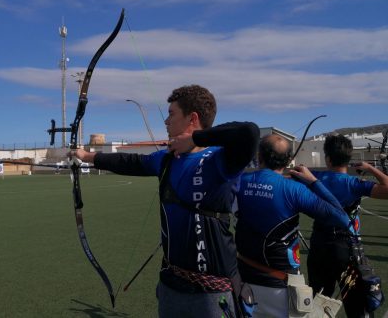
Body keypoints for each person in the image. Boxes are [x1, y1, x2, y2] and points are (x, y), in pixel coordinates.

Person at [72, 84, 260, 318]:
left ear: (192, 118)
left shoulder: (220, 159)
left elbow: (250, 132)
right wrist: (88, 156)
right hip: (171, 284)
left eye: (172, 114)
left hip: (213, 291)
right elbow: (130, 162)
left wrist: (195, 139)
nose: (166, 121)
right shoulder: (167, 158)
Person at [235, 134, 350, 317]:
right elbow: (342, 218)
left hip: (242, 279)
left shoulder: (239, 182)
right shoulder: (294, 189)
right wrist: (313, 182)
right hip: (280, 286)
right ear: (289, 160)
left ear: (259, 156)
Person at [307, 134, 388, 317]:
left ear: (327, 158)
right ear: (348, 159)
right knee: (355, 304)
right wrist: (370, 168)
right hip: (346, 249)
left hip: (319, 246)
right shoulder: (354, 183)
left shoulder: (314, 177)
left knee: (317, 301)